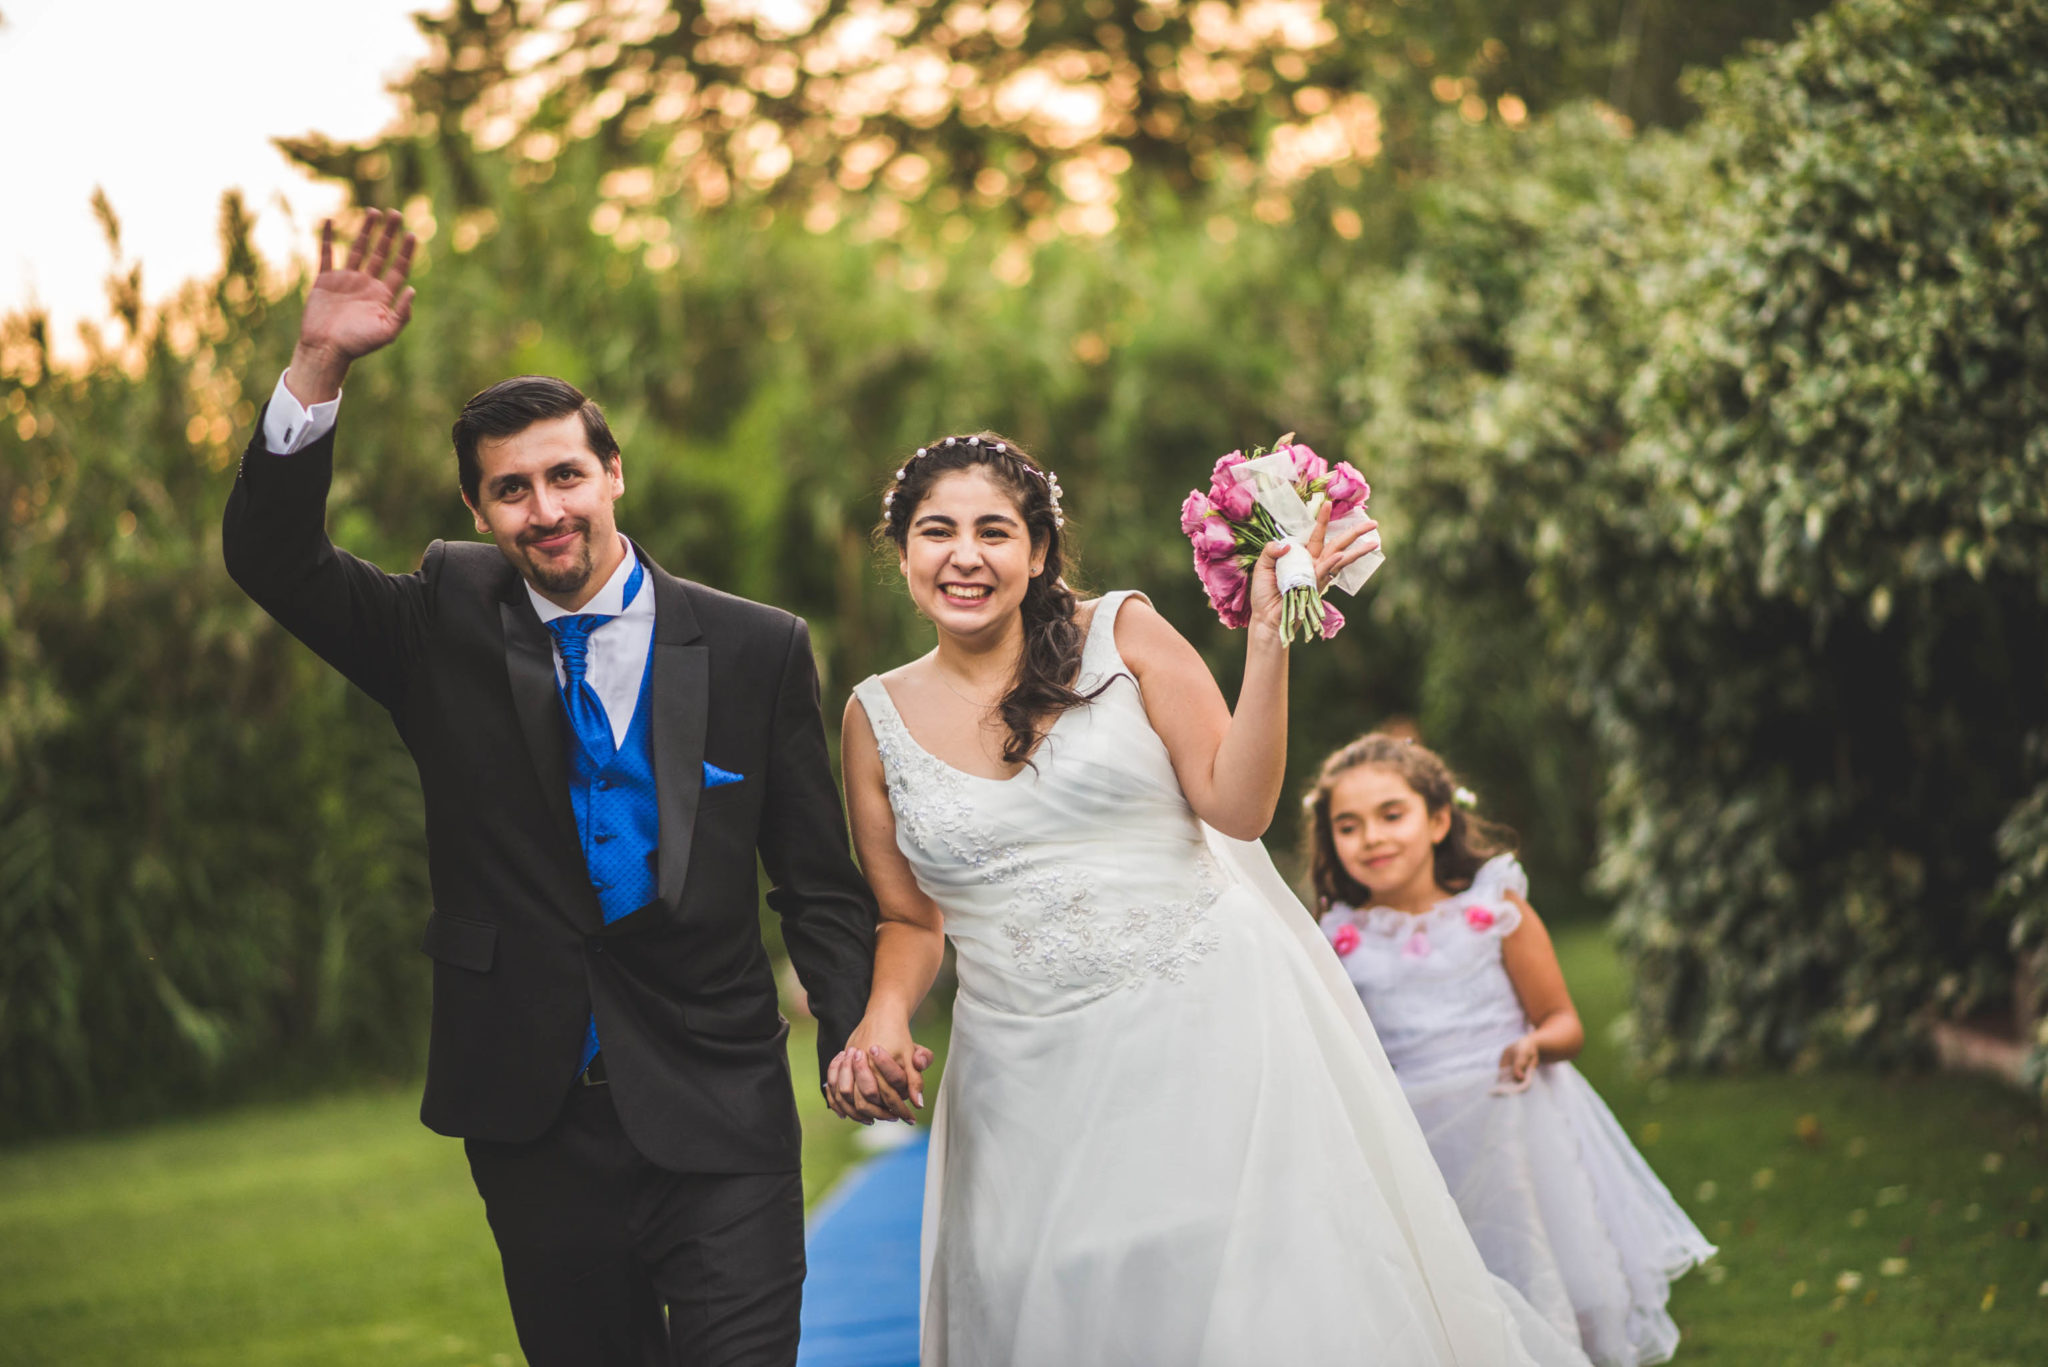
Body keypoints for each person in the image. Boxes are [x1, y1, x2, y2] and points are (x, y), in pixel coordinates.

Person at [222, 210, 879, 1367]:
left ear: (612, 471)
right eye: (512, 490)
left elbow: (814, 877)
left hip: (716, 1098)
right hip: (529, 1111)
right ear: (478, 512)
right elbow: (273, 560)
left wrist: (848, 1024)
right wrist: (317, 366)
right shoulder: (438, 624)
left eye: (566, 474)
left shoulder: (755, 646)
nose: (548, 509)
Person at [823, 433, 1594, 1365]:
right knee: (1069, 1302)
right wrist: (882, 1015)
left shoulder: (1126, 634)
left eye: (995, 530)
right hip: (1021, 1074)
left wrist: (1265, 642)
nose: (966, 556)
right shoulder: (874, 718)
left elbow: (1237, 805)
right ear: (902, 551)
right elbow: (911, 917)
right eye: (937, 532)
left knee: (1248, 1297)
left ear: (1036, 552)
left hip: (1206, 1023)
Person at [1306, 734, 1716, 1365]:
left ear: (1439, 819)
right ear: (1330, 840)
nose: (1372, 838)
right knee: (1453, 1283)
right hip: (1419, 1142)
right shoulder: (1338, 941)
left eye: (1392, 814)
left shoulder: (1496, 910)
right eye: (1348, 825)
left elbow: (1564, 1023)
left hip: (1516, 1130)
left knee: (1548, 1269)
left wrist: (1534, 1044)